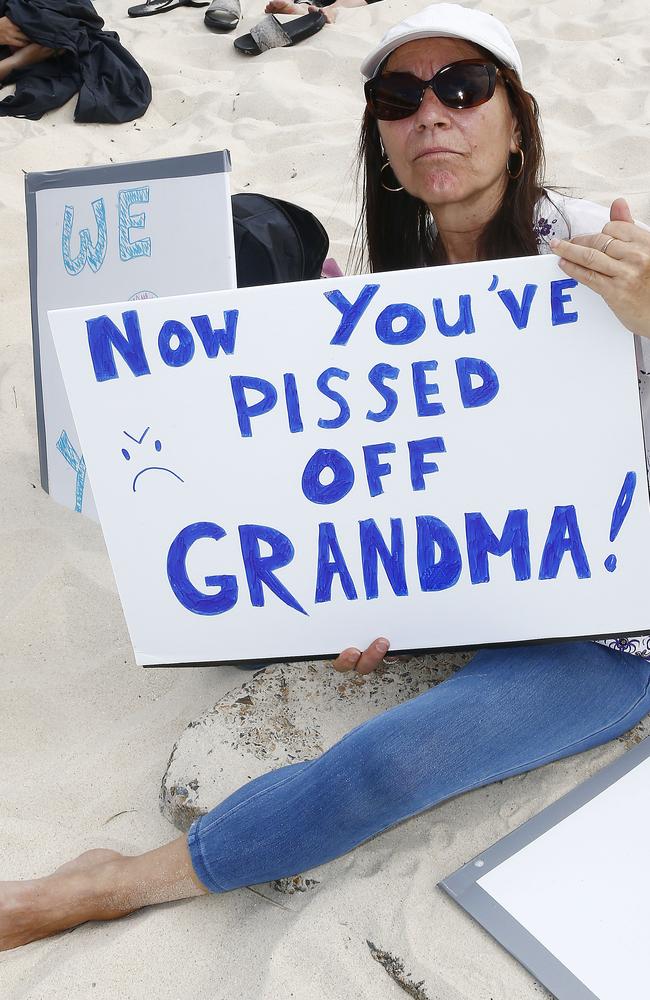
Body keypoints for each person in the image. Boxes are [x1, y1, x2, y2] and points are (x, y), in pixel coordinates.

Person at [3, 2, 650, 952]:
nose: (432, 115)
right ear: (381, 137)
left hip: (621, 621)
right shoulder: (394, 283)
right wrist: (369, 592)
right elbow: (397, 483)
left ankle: (113, 884)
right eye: (398, 96)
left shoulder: (607, 246)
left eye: (464, 89)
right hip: (490, 576)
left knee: (392, 765)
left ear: (519, 123)